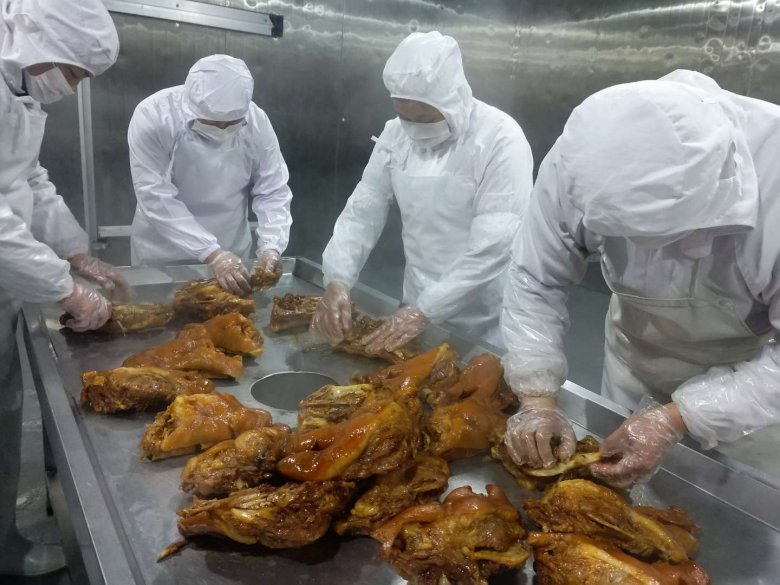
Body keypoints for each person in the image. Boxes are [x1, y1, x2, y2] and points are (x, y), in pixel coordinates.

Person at [501, 69, 780, 488]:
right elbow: (535, 277)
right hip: (633, 363)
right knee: (614, 493)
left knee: (724, 512)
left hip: (751, 395)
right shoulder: (583, 157)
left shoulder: (773, 171)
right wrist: (536, 394)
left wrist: (681, 417)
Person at [0, 0, 126, 576]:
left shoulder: (20, 90)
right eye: (72, 73)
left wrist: (76, 251)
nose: (71, 89)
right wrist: (65, 289)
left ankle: (5, 548)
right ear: (36, 37)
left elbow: (29, 179)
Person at [311, 31, 533, 351]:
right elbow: (364, 209)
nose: (414, 128)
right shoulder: (394, 135)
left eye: (425, 118)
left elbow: (494, 245)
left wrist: (427, 309)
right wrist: (337, 278)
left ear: (452, 101)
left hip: (483, 317)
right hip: (415, 300)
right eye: (404, 116)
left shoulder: (499, 139)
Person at [128, 54, 293, 295]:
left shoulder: (257, 121)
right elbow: (154, 195)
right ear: (191, 104)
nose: (222, 129)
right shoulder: (154, 115)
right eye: (212, 123)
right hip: (163, 255)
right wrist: (213, 254)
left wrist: (271, 246)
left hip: (232, 252)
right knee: (160, 314)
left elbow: (273, 190)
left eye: (232, 123)